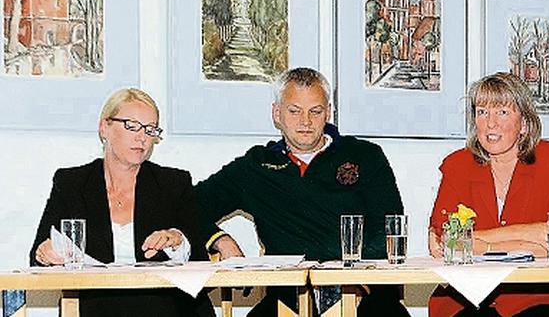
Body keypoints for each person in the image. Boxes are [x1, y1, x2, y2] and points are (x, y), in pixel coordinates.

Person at [194, 67, 407, 317]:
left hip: (362, 291)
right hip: (288, 298)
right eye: (294, 111)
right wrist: (219, 239)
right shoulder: (256, 166)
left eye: (315, 111)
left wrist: (354, 276)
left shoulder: (366, 155)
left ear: (328, 112)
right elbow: (185, 206)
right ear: (277, 113)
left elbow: (391, 230)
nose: (305, 122)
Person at [30, 88, 214, 317]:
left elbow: (202, 265)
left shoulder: (173, 183)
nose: (142, 137)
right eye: (132, 126)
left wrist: (178, 242)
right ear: (104, 127)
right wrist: (46, 254)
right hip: (98, 306)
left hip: (167, 305)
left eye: (150, 129)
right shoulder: (72, 183)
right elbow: (37, 257)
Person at [428, 72, 549, 316]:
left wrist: (481, 242)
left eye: (502, 112)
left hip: (535, 297)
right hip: (467, 298)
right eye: (482, 112)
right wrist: (526, 242)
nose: (491, 123)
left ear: (524, 124)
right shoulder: (456, 165)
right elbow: (445, 244)